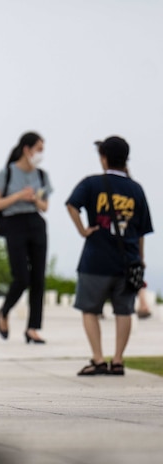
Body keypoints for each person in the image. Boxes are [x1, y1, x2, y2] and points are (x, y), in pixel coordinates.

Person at [66, 136, 153, 376]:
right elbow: (142, 230)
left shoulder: (92, 183)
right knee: (124, 311)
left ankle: (97, 358)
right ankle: (118, 360)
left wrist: (83, 230)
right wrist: (140, 260)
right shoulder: (136, 189)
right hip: (127, 261)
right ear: (126, 159)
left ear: (103, 158)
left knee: (90, 310)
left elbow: (71, 205)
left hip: (95, 259)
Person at [0, 132, 53, 343]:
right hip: (14, 224)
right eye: (39, 149)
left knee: (38, 278)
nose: (41, 154)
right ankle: (4, 311)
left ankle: (33, 327)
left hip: (36, 223)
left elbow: (45, 206)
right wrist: (18, 196)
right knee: (21, 277)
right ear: (27, 149)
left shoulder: (42, 176)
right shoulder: (7, 173)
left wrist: (35, 198)